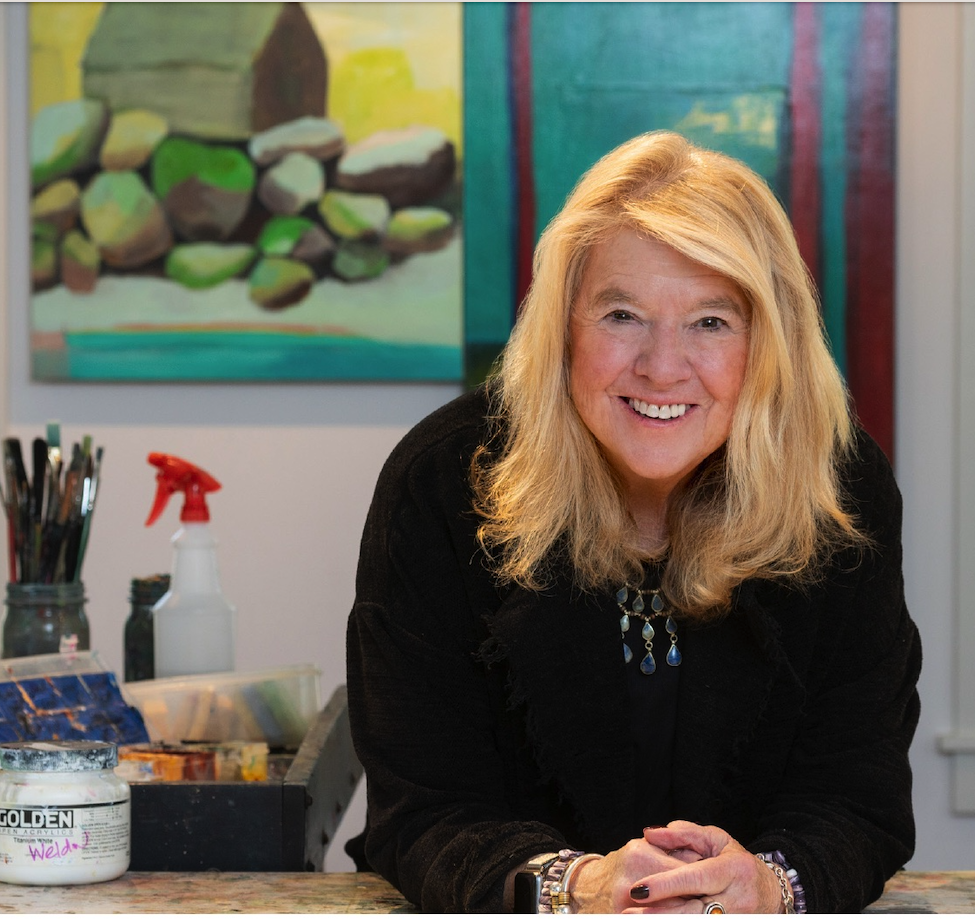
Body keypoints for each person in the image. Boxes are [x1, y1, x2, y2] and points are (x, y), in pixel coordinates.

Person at [345, 130, 921, 913]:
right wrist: (578, 887)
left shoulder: (840, 488)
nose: (660, 366)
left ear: (770, 340)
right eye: (622, 315)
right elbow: (423, 811)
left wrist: (768, 886)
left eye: (712, 322)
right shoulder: (441, 483)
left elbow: (859, 800)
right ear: (564, 327)